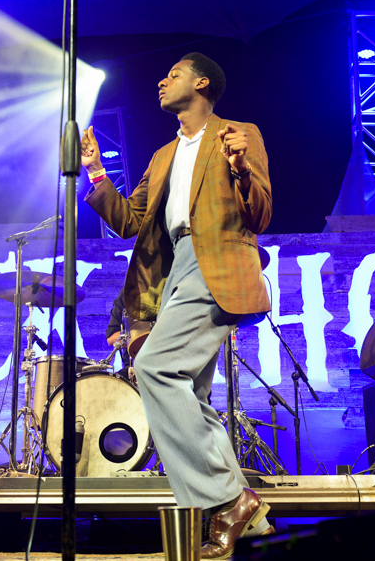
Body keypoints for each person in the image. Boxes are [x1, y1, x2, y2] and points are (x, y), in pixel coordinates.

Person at [81, 52, 272, 559]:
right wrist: (97, 173)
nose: (162, 81)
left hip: (219, 264)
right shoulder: (164, 155)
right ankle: (236, 510)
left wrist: (240, 168)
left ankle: (227, 500)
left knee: (156, 367)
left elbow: (261, 213)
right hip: (175, 276)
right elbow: (130, 221)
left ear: (203, 82)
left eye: (174, 74)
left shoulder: (239, 133)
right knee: (190, 396)